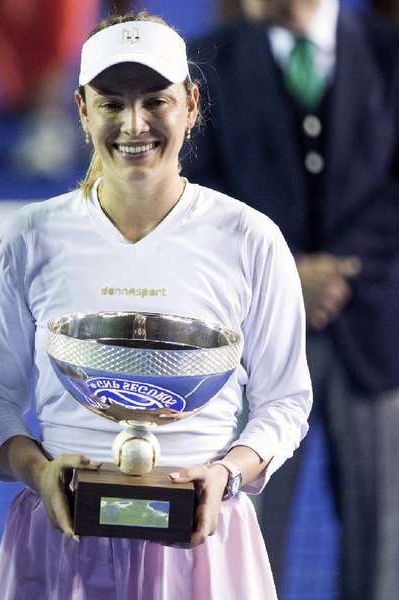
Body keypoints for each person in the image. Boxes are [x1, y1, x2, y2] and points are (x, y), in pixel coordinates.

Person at [0, 12, 312, 599]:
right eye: (111, 103)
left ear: (192, 103)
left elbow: (285, 401)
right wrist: (39, 472)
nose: (134, 123)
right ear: (81, 109)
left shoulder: (250, 238)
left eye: (155, 100)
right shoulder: (28, 237)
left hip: (204, 548)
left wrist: (225, 475)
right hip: (61, 545)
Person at [183, 1, 399, 598]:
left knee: (383, 542)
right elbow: (196, 191)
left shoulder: (388, 53)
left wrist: (338, 271)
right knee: (243, 535)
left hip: (373, 337)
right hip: (255, 341)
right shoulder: (208, 64)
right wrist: (288, 273)